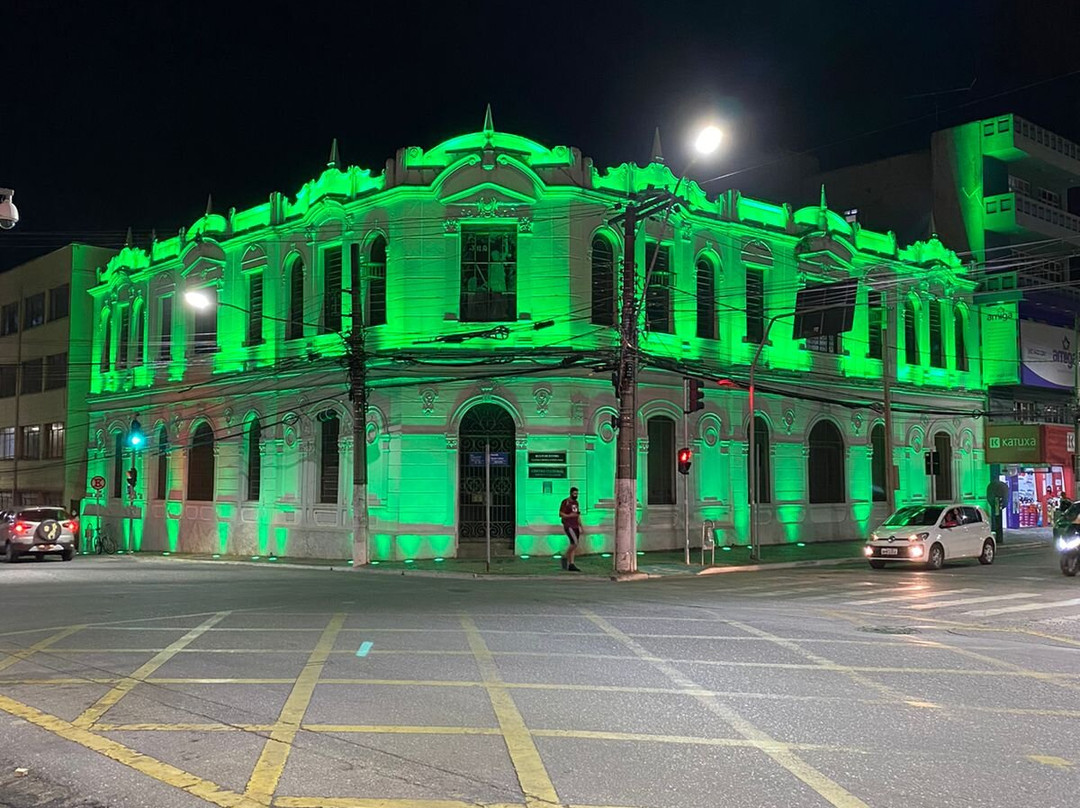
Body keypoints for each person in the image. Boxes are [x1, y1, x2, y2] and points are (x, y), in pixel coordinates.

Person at [559, 486, 583, 572]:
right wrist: (569, 516)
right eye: (574, 493)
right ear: (571, 493)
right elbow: (560, 513)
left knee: (574, 544)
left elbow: (577, 515)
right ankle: (565, 557)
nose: (576, 495)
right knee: (574, 543)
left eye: (577, 494)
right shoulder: (565, 502)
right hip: (568, 525)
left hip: (575, 525)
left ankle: (571, 564)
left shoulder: (576, 503)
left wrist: (581, 526)